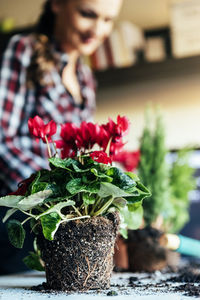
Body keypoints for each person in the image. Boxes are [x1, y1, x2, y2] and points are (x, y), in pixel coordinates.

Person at [0, 0, 123, 274]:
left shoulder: (86, 77)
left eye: (108, 20)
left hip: (66, 223)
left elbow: (80, 158)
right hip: (23, 217)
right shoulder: (25, 50)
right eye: (88, 14)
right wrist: (54, 196)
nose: (98, 29)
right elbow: (2, 141)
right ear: (57, 4)